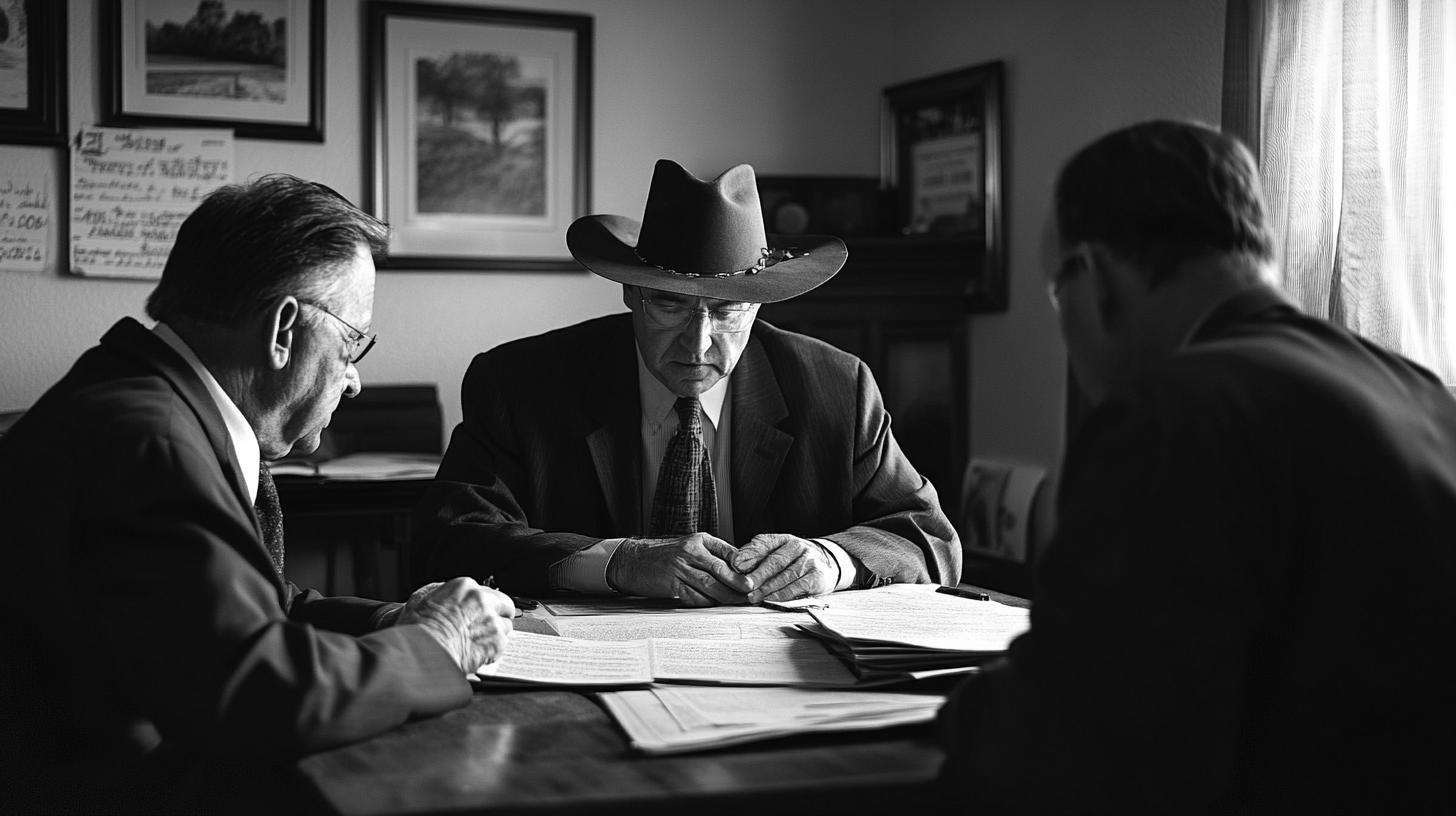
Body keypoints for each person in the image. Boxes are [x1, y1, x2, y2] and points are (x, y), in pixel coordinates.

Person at [936, 120, 1456, 813]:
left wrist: (966, 713)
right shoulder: (1420, 390)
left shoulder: (1173, 417)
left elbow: (1084, 739)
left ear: (1094, 279)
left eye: (1057, 291)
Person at [0, 175, 516, 813]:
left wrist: (390, 621)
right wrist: (438, 642)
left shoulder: (145, 403)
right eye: (353, 344)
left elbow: (243, 608)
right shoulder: (154, 443)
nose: (353, 381)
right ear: (283, 330)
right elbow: (252, 691)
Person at [414, 159, 960, 606]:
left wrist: (831, 561)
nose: (698, 344)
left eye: (726, 311)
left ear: (760, 305)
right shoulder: (520, 384)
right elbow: (449, 539)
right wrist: (617, 561)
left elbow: (928, 537)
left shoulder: (837, 387)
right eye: (671, 306)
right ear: (631, 293)